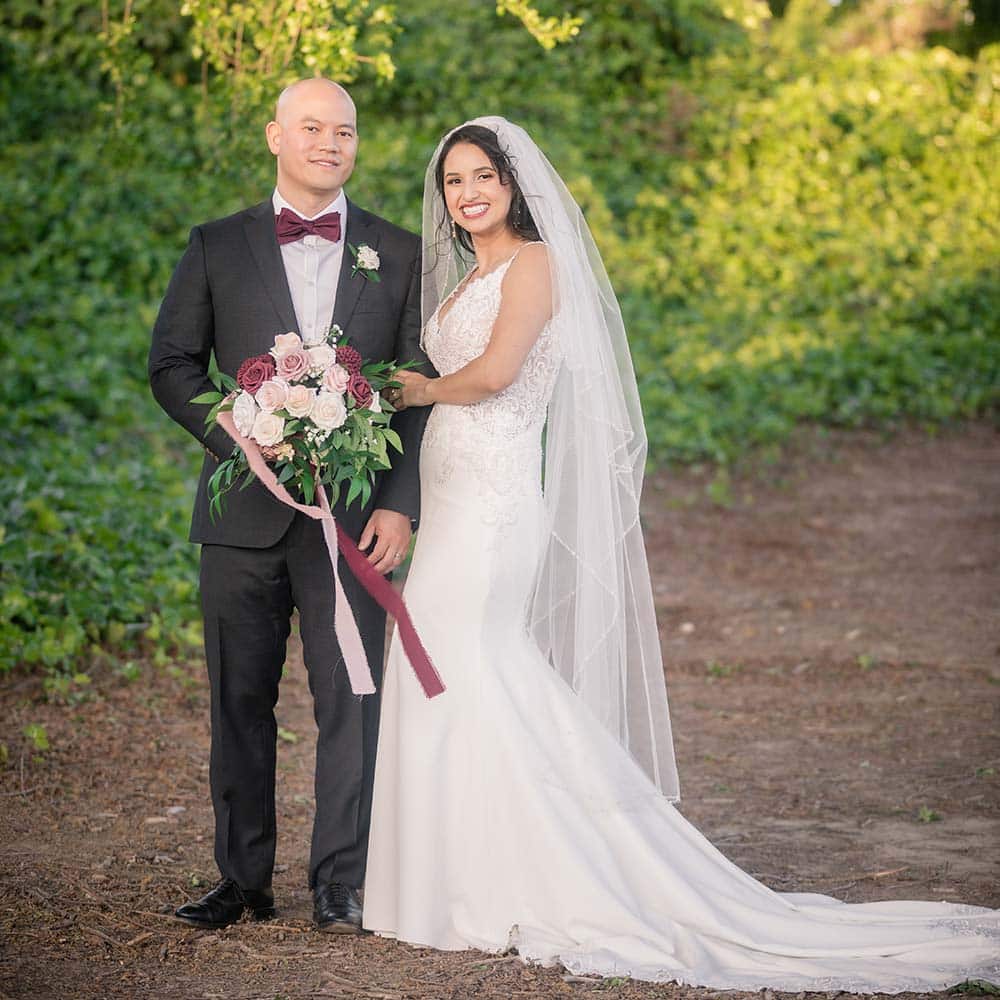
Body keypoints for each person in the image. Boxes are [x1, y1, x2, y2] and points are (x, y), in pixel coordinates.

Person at [361, 117, 999, 991]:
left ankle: (519, 875)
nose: (466, 193)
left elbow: (502, 372)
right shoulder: (467, 272)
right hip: (452, 498)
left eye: (482, 177)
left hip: (498, 500)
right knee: (444, 660)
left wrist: (422, 387)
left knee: (466, 658)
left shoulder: (535, 266)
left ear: (514, 185)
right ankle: (439, 878)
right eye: (453, 181)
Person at [148, 78, 431, 934]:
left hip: (351, 520)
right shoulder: (218, 245)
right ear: (276, 135)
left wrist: (402, 503)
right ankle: (242, 879)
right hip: (241, 521)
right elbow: (172, 365)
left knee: (354, 696)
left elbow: (417, 391)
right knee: (238, 699)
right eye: (311, 127)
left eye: (343, 130)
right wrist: (235, 431)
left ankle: (341, 883)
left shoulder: (399, 251)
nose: (328, 142)